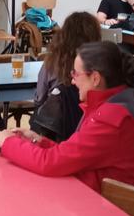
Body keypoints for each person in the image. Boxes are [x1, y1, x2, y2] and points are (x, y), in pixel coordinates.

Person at [0, 41, 134, 192]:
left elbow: (50, 162)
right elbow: (72, 156)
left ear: (95, 78)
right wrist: (37, 140)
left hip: (109, 208)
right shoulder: (108, 108)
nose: (72, 80)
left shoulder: (109, 120)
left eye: (76, 73)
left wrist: (8, 142)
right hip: (98, 199)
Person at [30, 12, 101, 142]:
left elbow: (39, 99)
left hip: (52, 130)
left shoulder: (52, 62)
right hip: (86, 125)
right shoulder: (100, 64)